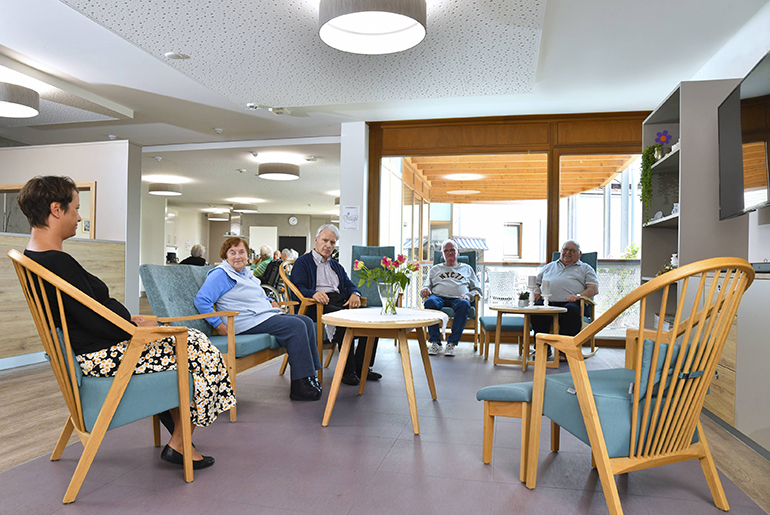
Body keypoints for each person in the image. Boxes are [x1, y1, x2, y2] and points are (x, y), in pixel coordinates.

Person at [17, 175, 234, 470]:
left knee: (180, 342)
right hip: (102, 357)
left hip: (89, 350)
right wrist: (133, 327)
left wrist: (128, 319)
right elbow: (93, 318)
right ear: (56, 209)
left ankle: (176, 427)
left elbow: (84, 313)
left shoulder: (34, 259)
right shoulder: (57, 264)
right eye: (76, 209)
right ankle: (180, 444)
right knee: (195, 344)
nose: (79, 217)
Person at [194, 237, 322, 401]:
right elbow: (201, 300)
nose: (237, 256)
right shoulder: (221, 274)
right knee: (296, 326)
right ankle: (300, 385)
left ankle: (310, 376)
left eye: (242, 252)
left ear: (248, 255)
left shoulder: (245, 274)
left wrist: (270, 302)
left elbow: (253, 297)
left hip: (258, 316)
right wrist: (219, 326)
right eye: (232, 253)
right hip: (243, 320)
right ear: (225, 256)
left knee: (306, 321)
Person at [290, 224, 381, 385]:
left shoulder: (336, 265)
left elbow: (349, 284)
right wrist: (313, 293)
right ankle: (348, 371)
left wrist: (355, 294)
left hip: (339, 302)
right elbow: (299, 287)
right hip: (314, 305)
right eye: (325, 240)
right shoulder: (303, 262)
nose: (328, 245)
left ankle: (363, 367)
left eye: (332, 242)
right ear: (316, 240)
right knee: (344, 321)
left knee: (373, 318)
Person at [531, 240, 599, 356]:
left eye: (572, 251)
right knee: (537, 309)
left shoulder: (585, 268)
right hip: (547, 301)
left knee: (571, 311)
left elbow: (593, 288)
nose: (568, 253)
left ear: (580, 254)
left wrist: (578, 296)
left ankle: (565, 350)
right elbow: (536, 283)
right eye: (565, 250)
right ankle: (543, 347)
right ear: (561, 252)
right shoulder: (549, 267)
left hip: (571, 302)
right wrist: (537, 291)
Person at [421, 239, 482, 356]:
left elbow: (477, 290)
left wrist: (468, 296)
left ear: (458, 252)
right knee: (429, 303)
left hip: (459, 298)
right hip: (438, 297)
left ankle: (452, 343)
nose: (449, 253)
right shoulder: (435, 269)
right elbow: (425, 286)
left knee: (464, 304)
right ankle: (435, 343)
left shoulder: (467, 269)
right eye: (446, 251)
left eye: (452, 250)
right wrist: (424, 290)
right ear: (442, 254)